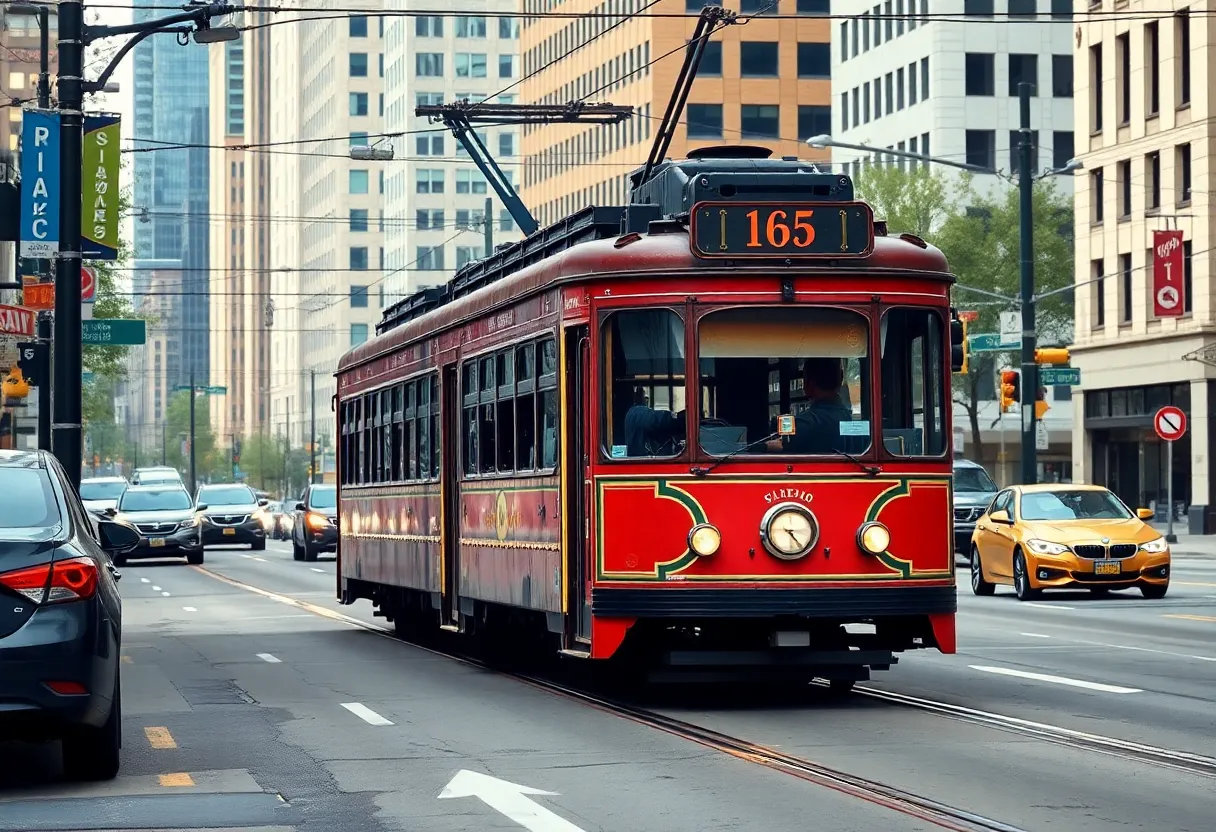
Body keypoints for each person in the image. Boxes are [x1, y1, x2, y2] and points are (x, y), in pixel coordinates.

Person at [776, 357, 853, 454]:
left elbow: (783, 447)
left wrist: (763, 447)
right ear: (840, 381)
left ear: (809, 384)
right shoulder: (854, 421)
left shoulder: (802, 424)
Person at [623, 388, 684, 457]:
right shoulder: (637, 412)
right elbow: (657, 419)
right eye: (645, 397)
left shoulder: (633, 413)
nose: (647, 400)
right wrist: (674, 417)